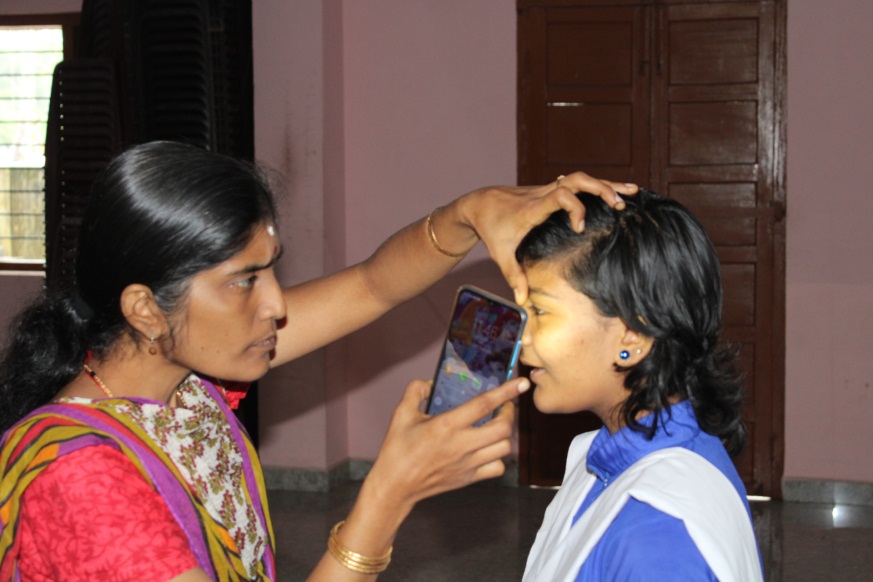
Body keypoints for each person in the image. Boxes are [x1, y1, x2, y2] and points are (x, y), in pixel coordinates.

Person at [0, 141, 635, 581]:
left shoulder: (183, 379)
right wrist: (388, 494)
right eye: (245, 281)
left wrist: (470, 212)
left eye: (271, 271)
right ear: (145, 309)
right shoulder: (80, 483)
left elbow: (373, 285)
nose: (277, 305)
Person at [517, 189, 763, 581]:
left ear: (633, 337)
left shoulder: (658, 540)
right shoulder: (618, 454)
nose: (521, 335)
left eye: (540, 311)